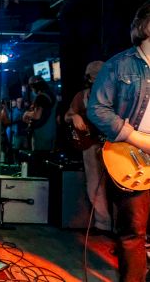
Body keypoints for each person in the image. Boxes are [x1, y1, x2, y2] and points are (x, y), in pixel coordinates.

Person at [87, 0, 150, 281]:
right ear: (146, 26)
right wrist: (136, 137)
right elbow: (97, 109)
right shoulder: (120, 65)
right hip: (132, 157)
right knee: (133, 231)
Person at [65, 61, 112, 235]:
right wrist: (75, 115)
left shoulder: (116, 93)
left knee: (118, 188)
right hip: (91, 145)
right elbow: (66, 116)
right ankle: (103, 224)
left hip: (112, 145)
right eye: (93, 77)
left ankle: (122, 227)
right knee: (94, 184)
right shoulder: (82, 96)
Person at [22, 75, 57, 176]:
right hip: (51, 131)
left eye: (31, 87)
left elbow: (37, 115)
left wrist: (26, 114)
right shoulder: (51, 95)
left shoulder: (41, 97)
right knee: (47, 159)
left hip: (41, 133)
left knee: (39, 160)